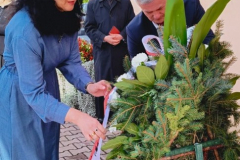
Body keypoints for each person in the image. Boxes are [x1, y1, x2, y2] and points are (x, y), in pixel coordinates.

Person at [0, 0, 112, 159]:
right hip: (18, 95)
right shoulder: (24, 29)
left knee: (48, 147)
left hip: (47, 88)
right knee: (24, 152)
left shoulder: (68, 14)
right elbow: (34, 93)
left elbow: (70, 61)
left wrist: (88, 85)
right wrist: (79, 117)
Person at [84, 0, 135, 121]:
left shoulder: (125, 3)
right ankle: (102, 116)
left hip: (122, 51)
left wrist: (122, 35)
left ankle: (123, 116)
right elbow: (89, 27)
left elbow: (132, 22)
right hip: (102, 52)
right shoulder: (93, 4)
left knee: (122, 81)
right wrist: (104, 38)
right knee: (103, 82)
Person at [126, 0, 215, 58]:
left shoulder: (191, 6)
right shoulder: (134, 30)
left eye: (160, 8)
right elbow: (137, 67)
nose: (156, 16)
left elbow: (209, 38)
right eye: (149, 12)